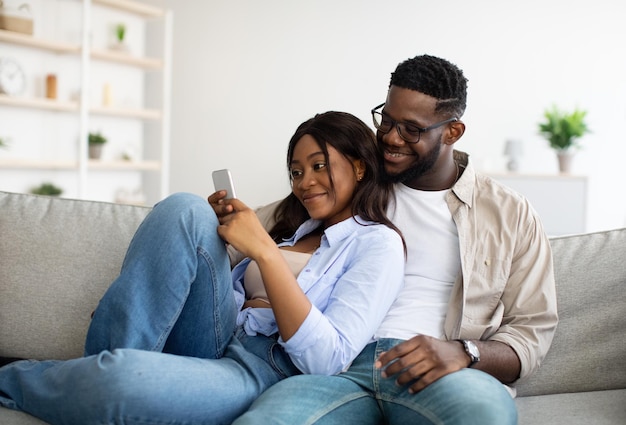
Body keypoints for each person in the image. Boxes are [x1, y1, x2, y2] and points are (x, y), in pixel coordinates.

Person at [0, 111, 406, 425]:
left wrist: (264, 251)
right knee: (187, 208)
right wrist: (221, 235)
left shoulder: (379, 244)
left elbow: (327, 358)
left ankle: (56, 377)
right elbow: (201, 279)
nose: (304, 182)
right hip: (215, 335)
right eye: (296, 172)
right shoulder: (290, 230)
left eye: (319, 166)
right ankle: (109, 360)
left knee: (122, 379)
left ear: (358, 166)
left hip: (259, 368)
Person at [233, 54, 558, 424]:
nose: (390, 137)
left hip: (435, 373)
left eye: (411, 129)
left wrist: (463, 352)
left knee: (484, 415)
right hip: (338, 369)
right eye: (385, 120)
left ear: (452, 132)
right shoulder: (355, 182)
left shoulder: (508, 214)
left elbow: (532, 332)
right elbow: (251, 231)